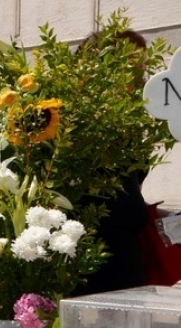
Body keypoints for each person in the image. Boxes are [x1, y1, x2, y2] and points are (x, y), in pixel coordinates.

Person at [73, 30, 150, 295]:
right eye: (134, 70)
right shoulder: (75, 130)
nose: (143, 80)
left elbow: (127, 194)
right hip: (92, 274)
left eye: (143, 70)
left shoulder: (127, 129)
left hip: (126, 267)